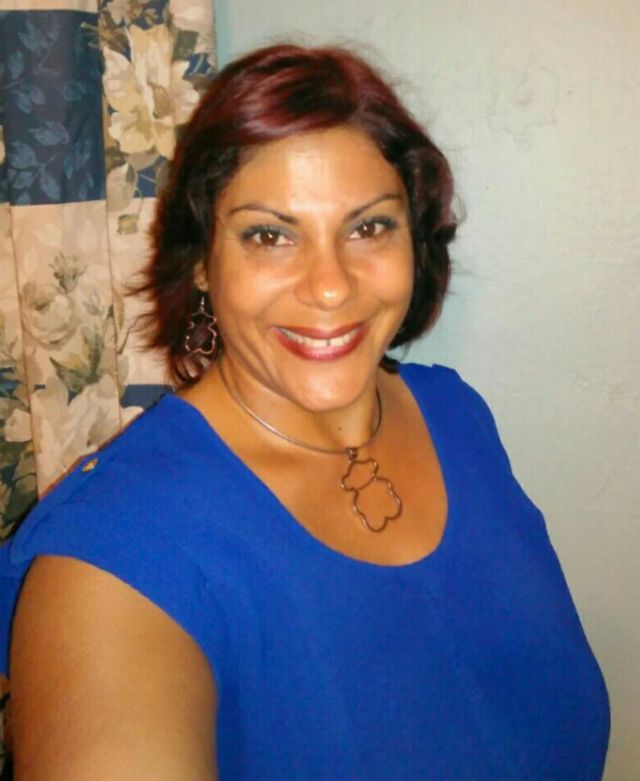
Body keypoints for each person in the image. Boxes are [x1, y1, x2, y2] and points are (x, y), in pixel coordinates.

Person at [0, 44, 609, 780]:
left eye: (368, 227)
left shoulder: (456, 414)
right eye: (270, 235)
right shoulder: (109, 563)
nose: (330, 286)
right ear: (201, 259)